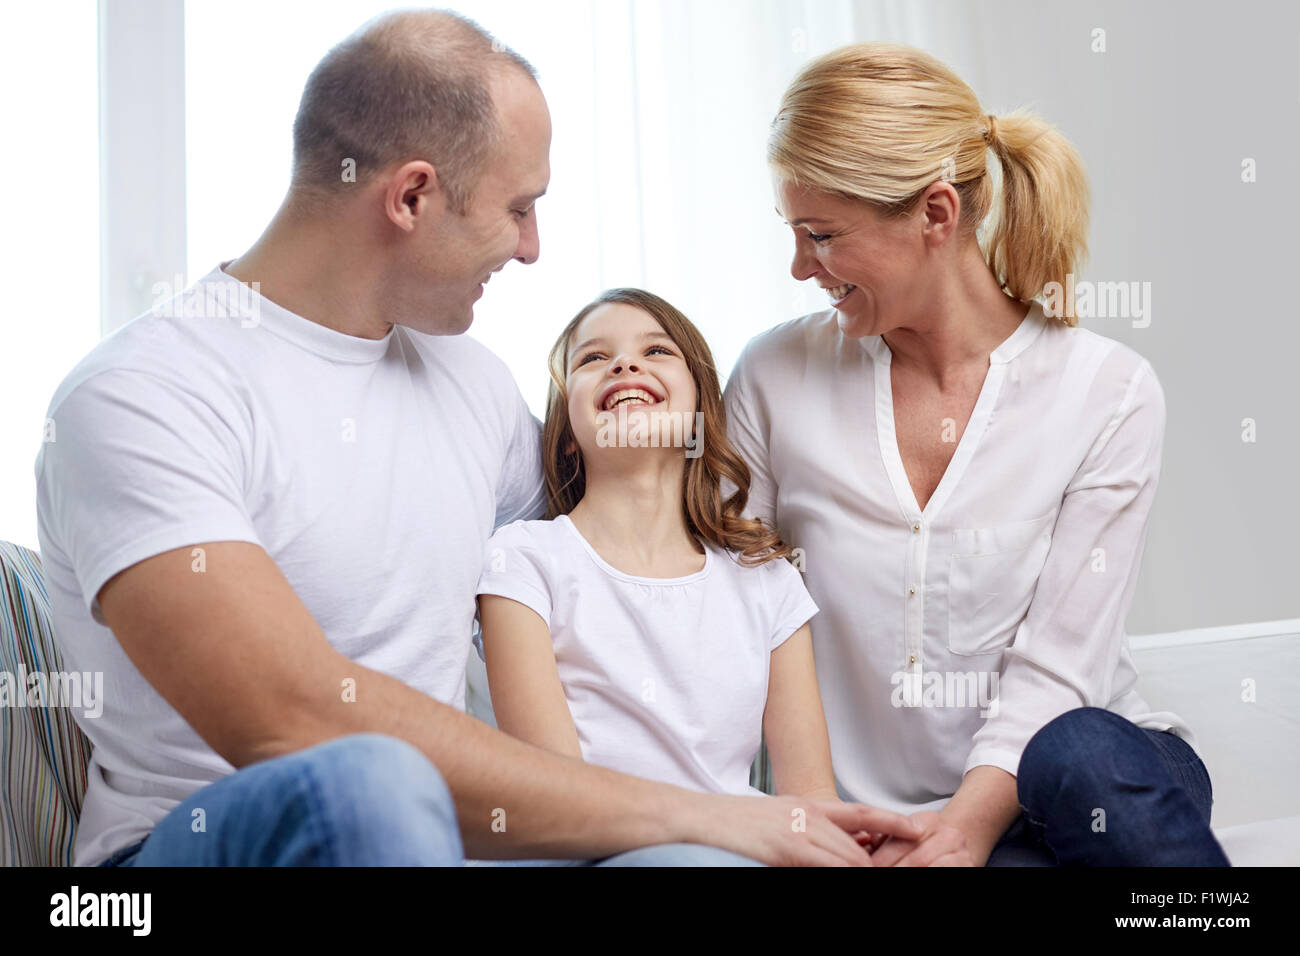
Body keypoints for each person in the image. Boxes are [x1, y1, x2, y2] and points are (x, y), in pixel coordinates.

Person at [34, 11, 920, 868]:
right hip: (194, 848)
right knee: (370, 784)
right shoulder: (142, 396)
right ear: (413, 195)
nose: (533, 249)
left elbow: (622, 548)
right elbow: (288, 718)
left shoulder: (473, 387)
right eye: (520, 208)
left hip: (448, 845)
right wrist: (706, 815)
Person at [723, 41, 1229, 866]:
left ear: (935, 214)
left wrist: (963, 830)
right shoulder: (775, 375)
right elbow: (742, 610)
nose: (799, 266)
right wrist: (816, 816)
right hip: (884, 813)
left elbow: (1063, 663)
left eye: (821, 235)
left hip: (1070, 788)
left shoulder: (1109, 391)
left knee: (1080, 753)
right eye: (794, 233)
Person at [474, 289, 888, 862]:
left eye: (656, 350)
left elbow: (808, 795)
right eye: (592, 359)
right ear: (567, 433)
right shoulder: (522, 562)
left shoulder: (767, 581)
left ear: (700, 413)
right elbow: (556, 792)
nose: (624, 364)